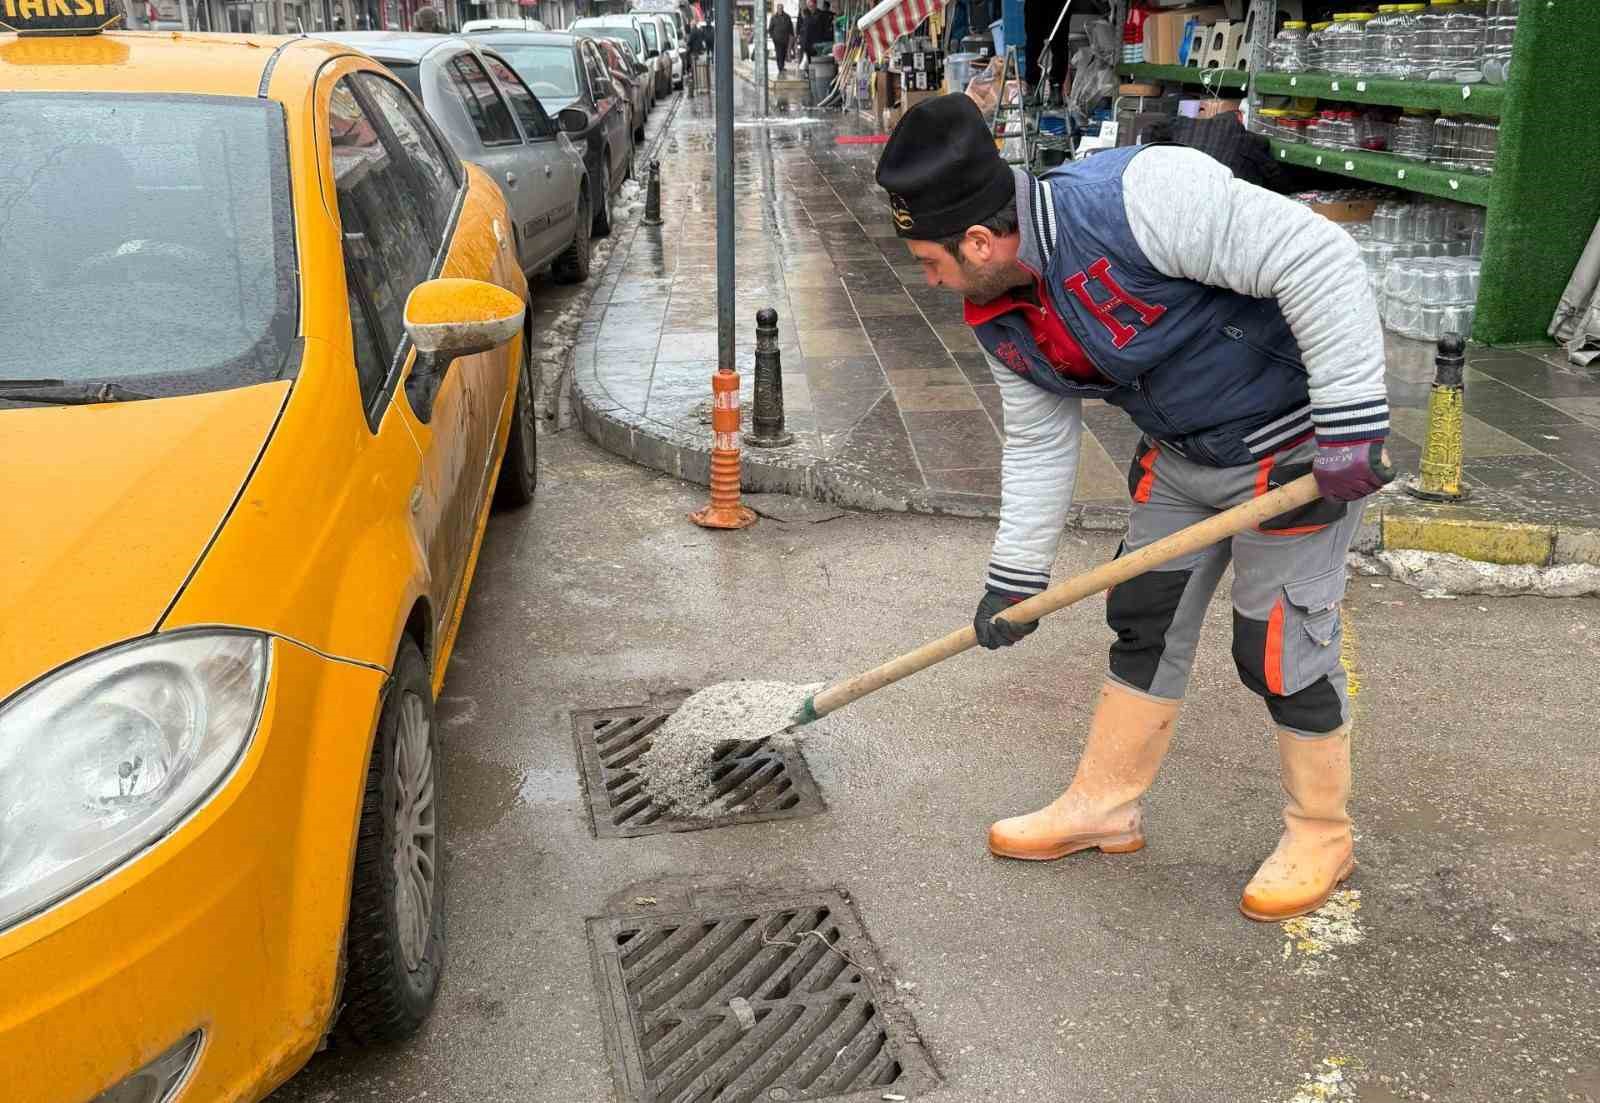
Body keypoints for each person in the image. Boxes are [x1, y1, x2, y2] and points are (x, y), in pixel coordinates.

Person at [874, 95, 1392, 924]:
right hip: (1181, 459)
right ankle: (1105, 806)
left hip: (1291, 446)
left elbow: (1320, 257)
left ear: (977, 240)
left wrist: (1352, 421)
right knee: (1143, 618)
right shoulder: (999, 310)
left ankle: (1322, 832)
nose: (929, 280)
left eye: (929, 260)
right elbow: (1043, 442)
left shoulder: (1141, 197)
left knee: (1277, 646)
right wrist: (1014, 580)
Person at [768, 3, 794, 75]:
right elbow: (770, 29)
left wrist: (792, 35)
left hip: (785, 39)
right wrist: (773, 37)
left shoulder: (787, 17)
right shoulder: (773, 17)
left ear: (783, 8)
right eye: (779, 8)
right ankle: (780, 67)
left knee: (783, 53)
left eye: (781, 8)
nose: (780, 9)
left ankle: (782, 66)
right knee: (779, 53)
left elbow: (790, 27)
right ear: (777, 9)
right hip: (777, 40)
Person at [796, 0, 818, 69]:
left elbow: (806, 34)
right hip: (810, 45)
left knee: (808, 62)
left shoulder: (807, 21)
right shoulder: (810, 20)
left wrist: (803, 46)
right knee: (809, 62)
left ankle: (809, 76)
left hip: (808, 46)